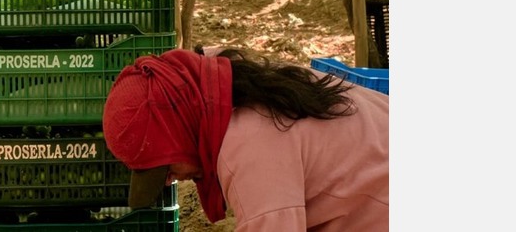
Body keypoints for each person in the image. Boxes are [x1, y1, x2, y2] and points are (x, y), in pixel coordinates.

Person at [102, 47, 388, 231]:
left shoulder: (250, 151)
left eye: (166, 167)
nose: (170, 179)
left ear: (180, 132)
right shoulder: (229, 83)